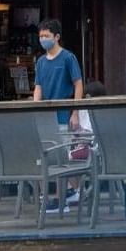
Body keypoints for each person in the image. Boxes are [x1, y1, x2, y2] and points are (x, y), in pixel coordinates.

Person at [31, 20, 84, 212]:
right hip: (44, 117)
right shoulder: (40, 62)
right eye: (41, 36)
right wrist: (34, 107)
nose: (43, 39)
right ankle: (49, 198)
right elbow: (38, 87)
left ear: (57, 37)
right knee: (44, 158)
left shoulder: (68, 58)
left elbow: (78, 84)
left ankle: (66, 198)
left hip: (63, 114)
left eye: (46, 36)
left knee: (63, 157)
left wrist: (75, 112)